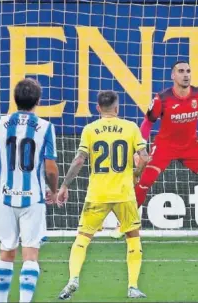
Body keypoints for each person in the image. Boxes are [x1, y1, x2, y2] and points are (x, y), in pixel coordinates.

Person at [57, 90, 149, 299]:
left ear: (98, 108)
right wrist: (136, 173)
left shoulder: (90, 129)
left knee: (82, 237)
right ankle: (133, 286)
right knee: (132, 237)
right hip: (124, 193)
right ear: (117, 108)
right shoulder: (131, 127)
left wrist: (64, 185)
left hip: (97, 194)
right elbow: (144, 157)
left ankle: (73, 278)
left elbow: (79, 160)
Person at [133, 60, 198, 237]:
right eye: (181, 71)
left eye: (188, 71)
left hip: (190, 146)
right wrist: (140, 149)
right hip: (165, 146)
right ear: (173, 75)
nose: (186, 74)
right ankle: (127, 222)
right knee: (144, 182)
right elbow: (147, 123)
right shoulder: (162, 98)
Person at [0, 78, 59, 303]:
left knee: (6, 251)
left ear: (14, 99)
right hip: (34, 198)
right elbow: (50, 167)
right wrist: (54, 190)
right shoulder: (46, 127)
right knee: (30, 254)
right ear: (38, 100)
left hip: (6, 197)